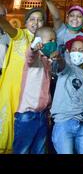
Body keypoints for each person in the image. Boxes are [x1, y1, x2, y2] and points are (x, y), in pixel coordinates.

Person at [0, 4, 45, 154]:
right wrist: (1, 18)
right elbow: (8, 28)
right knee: (7, 125)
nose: (35, 23)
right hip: (13, 89)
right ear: (25, 22)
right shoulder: (21, 35)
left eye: (39, 20)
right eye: (32, 19)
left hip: (30, 97)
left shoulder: (46, 41)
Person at [50, 35, 83, 154]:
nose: (76, 52)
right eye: (73, 50)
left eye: (81, 50)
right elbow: (61, 65)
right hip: (63, 122)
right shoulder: (68, 68)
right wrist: (59, 58)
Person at [13, 26, 58, 154]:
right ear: (39, 41)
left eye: (55, 40)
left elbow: (46, 89)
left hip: (42, 116)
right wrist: (33, 48)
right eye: (50, 40)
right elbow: (29, 56)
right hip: (27, 116)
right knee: (22, 150)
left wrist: (48, 108)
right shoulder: (34, 59)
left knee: (39, 150)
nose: (53, 43)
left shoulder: (48, 62)